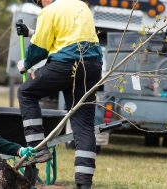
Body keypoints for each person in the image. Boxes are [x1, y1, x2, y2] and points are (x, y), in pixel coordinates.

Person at [16, 0, 102, 188]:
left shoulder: (49, 11)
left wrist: (26, 63)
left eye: (39, 2)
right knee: (84, 125)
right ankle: (83, 183)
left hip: (66, 64)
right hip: (92, 66)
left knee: (26, 93)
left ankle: (38, 148)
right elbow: (67, 34)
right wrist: (31, 32)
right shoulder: (80, 5)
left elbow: (40, 48)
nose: (40, 5)